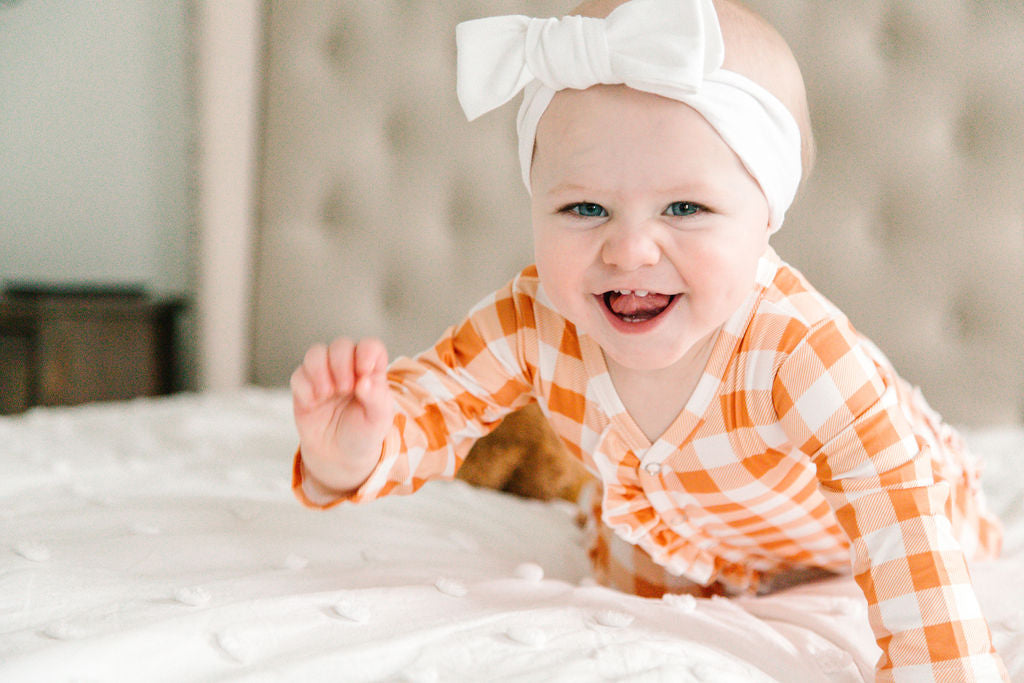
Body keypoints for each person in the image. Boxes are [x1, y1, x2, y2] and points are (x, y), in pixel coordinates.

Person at [289, 0, 1007, 679]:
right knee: (625, 559)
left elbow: (893, 505)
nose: (629, 249)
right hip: (679, 544)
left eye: (685, 207)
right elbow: (438, 401)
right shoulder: (534, 316)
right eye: (584, 207)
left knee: (923, 543)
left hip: (858, 538)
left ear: (765, 217)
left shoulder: (793, 347)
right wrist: (355, 450)